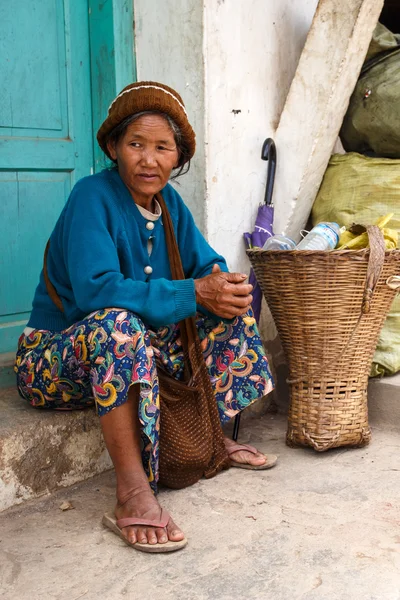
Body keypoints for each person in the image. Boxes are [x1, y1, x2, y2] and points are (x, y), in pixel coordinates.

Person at [14, 81, 276, 553]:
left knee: (226, 309)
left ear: (178, 158)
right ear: (114, 148)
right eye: (136, 144)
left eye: (162, 148)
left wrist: (222, 285)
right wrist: (193, 291)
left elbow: (204, 264)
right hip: (54, 359)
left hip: (134, 347)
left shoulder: (169, 203)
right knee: (119, 325)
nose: (149, 159)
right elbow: (97, 290)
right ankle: (133, 490)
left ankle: (211, 434)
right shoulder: (92, 195)